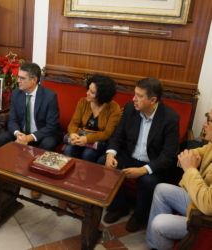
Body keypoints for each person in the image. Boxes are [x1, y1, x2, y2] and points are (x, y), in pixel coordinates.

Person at [97, 77, 180, 232]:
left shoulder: (170, 118)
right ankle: (119, 206)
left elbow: (169, 155)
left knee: (147, 181)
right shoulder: (130, 109)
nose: (133, 99)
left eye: (139, 96)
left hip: (154, 162)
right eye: (134, 94)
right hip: (130, 156)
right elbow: (117, 136)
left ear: (152, 99)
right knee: (103, 161)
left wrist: (144, 170)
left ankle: (139, 216)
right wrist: (110, 154)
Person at [145, 111, 212, 250]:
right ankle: (156, 245)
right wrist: (188, 158)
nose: (204, 123)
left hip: (204, 219)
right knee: (161, 189)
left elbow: (208, 205)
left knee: (159, 223)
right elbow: (198, 153)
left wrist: (190, 169)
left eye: (209, 120)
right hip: (198, 204)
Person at [0, 62, 63, 199]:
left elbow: (51, 126)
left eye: (22, 78)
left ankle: (37, 183)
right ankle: (10, 175)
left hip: (44, 133)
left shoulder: (50, 96)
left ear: (34, 80)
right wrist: (18, 134)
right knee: (3, 138)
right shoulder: (16, 93)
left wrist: (30, 138)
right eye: (18, 77)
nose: (18, 81)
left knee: (48, 144)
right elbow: (13, 120)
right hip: (23, 132)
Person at [63, 74, 121, 163]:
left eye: (92, 92)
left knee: (88, 153)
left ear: (102, 95)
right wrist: (73, 134)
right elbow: (74, 123)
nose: (87, 93)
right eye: (89, 89)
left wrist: (87, 139)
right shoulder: (83, 102)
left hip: (97, 142)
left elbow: (107, 133)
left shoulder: (114, 108)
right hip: (80, 137)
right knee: (68, 149)